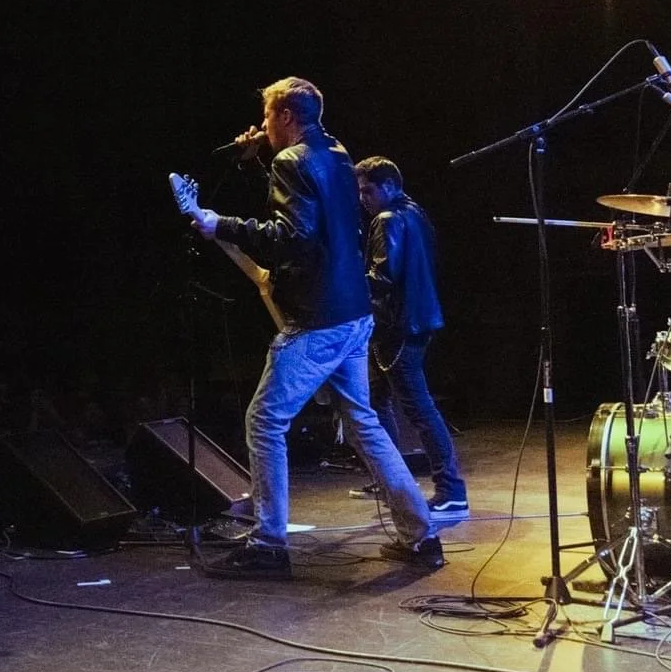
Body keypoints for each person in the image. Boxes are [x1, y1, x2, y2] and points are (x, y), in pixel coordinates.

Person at [187, 78, 440, 577]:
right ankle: (421, 534)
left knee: (265, 420)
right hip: (353, 311)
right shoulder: (338, 152)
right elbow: (311, 207)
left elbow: (293, 236)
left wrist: (223, 225)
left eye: (265, 117)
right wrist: (258, 160)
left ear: (284, 116)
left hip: (318, 318)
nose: (259, 126)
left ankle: (267, 544)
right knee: (363, 421)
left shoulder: (292, 161)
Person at [354, 156, 468, 520]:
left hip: (398, 326)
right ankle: (392, 477)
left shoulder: (387, 219)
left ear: (388, 186)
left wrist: (345, 283)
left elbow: (382, 278)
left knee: (417, 408)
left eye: (368, 190)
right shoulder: (416, 213)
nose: (363, 198)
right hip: (416, 321)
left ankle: (451, 491)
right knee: (379, 402)